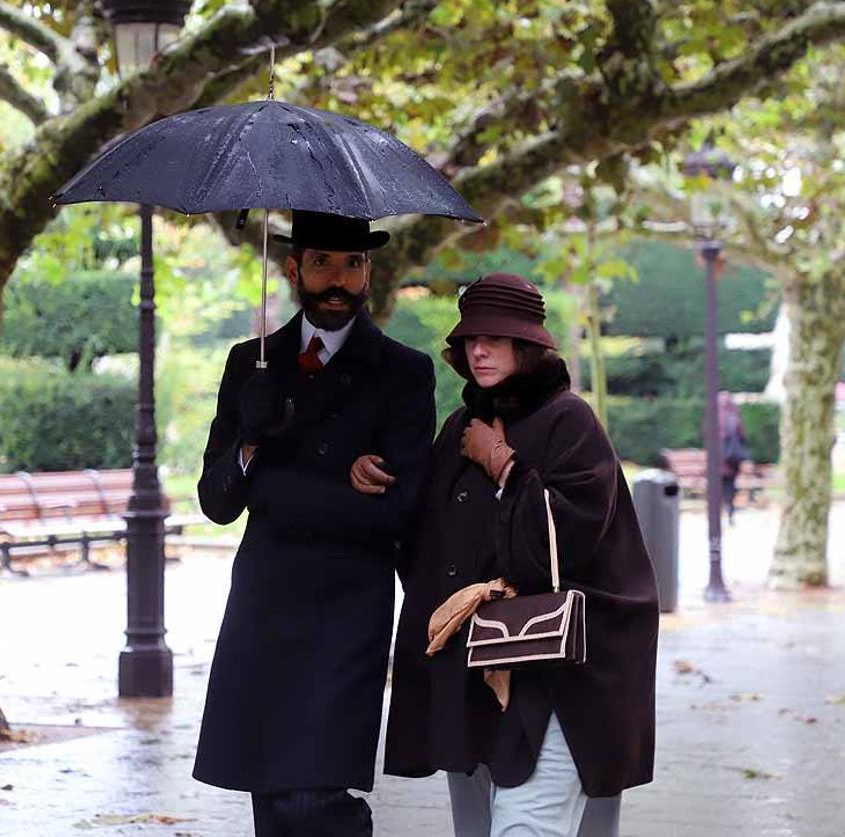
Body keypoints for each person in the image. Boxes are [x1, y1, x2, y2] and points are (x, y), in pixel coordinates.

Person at [357, 273, 658, 836]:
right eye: (471, 339)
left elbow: (567, 542)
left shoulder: (570, 421)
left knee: (528, 826)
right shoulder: (459, 428)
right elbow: (427, 544)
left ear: (528, 344)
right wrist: (370, 475)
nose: (479, 350)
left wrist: (504, 463)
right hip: (471, 676)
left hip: (557, 684)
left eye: (495, 338)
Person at [193, 210, 437, 836]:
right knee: (273, 799)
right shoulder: (251, 365)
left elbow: (399, 507)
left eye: (352, 265)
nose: (338, 280)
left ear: (368, 273)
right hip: (263, 604)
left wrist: (275, 480)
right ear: (294, 268)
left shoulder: (404, 372)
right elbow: (217, 502)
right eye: (323, 263)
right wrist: (250, 442)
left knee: (316, 799)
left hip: (346, 609)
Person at [719, 390, 750, 525]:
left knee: (719, 487)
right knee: (730, 486)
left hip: (718, 462)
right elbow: (742, 436)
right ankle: (730, 513)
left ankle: (718, 515)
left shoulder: (714, 417)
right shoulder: (734, 416)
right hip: (732, 461)